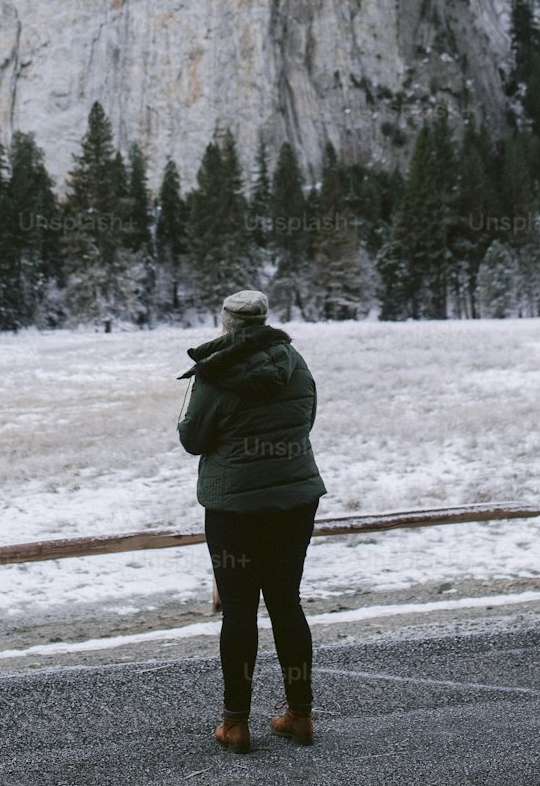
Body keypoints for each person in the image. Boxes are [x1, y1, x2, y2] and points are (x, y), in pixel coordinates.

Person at [177, 288, 326, 754]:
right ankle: (299, 716)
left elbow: (194, 438)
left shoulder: (215, 372)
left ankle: (235, 724)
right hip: (294, 501)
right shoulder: (294, 363)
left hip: (234, 508)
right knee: (286, 602)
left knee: (239, 611)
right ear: (264, 320)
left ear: (226, 324)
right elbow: (306, 418)